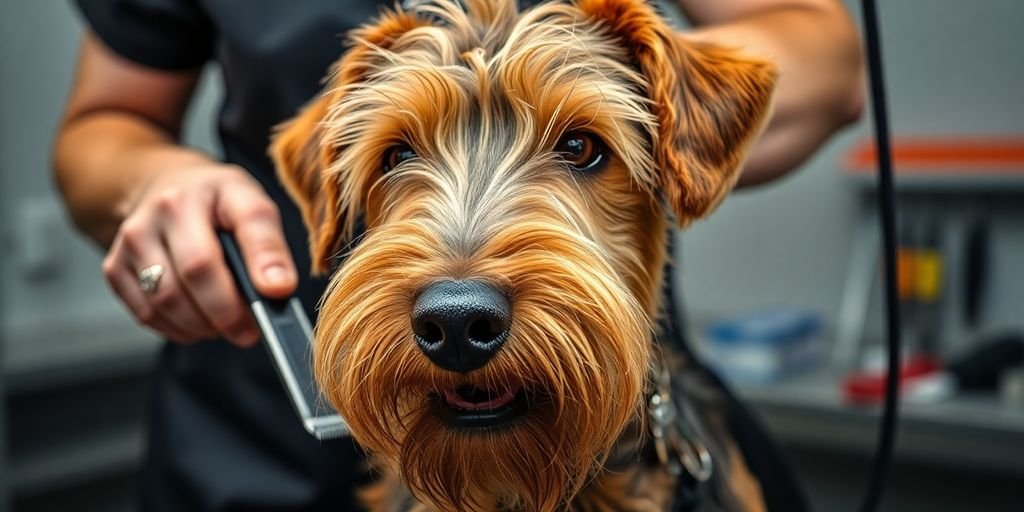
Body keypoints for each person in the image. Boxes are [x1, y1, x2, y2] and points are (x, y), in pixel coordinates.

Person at [53, 0, 863, 510]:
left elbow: (829, 55)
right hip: (256, 422)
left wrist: (645, 78)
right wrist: (157, 177)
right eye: (397, 158)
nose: (465, 281)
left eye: (580, 148)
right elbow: (104, 123)